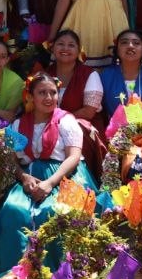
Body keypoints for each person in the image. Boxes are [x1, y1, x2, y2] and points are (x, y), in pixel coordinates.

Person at [0, 73, 96, 274]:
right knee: (13, 210)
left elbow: (74, 157)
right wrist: (24, 177)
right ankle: (17, 270)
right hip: (29, 178)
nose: (49, 98)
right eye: (42, 93)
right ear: (30, 96)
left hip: (64, 176)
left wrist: (49, 183)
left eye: (53, 93)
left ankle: (54, 272)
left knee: (53, 211)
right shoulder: (18, 125)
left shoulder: (66, 121)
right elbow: (12, 160)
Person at [45, 30, 106, 177]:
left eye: (71, 45)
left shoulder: (90, 74)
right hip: (49, 125)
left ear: (79, 50)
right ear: (52, 48)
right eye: (60, 44)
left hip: (83, 127)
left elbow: (89, 111)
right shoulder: (45, 74)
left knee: (77, 127)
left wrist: (59, 121)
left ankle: (80, 178)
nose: (65, 48)